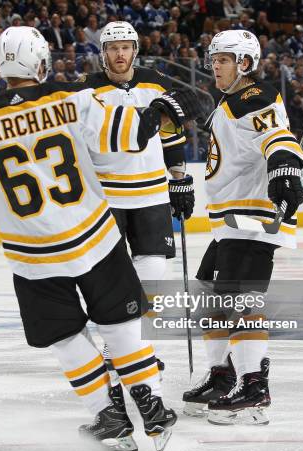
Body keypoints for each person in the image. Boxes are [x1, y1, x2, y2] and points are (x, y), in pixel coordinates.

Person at [0, 26, 204, 451]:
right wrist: (164, 110)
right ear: (41, 62)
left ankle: (108, 416)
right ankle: (151, 409)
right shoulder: (72, 98)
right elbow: (131, 137)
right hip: (95, 238)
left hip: (33, 255)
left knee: (64, 336)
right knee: (120, 326)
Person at [181, 29, 303, 425]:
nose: (215, 65)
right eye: (214, 58)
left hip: (252, 218)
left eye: (224, 59)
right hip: (229, 221)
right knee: (210, 300)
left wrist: (285, 169)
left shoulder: (256, 98)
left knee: (240, 304)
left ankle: (253, 385)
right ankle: (222, 376)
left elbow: (278, 137)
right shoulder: (230, 102)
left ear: (245, 63)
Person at [82, 21, 196, 376]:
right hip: (106, 195)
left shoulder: (156, 82)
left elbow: (172, 133)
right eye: (113, 48)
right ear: (103, 53)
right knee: (109, 276)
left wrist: (179, 179)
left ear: (135, 50)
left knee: (152, 274)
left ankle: (135, 346)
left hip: (150, 193)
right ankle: (115, 347)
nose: (120, 54)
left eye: (126, 47)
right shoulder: (86, 90)